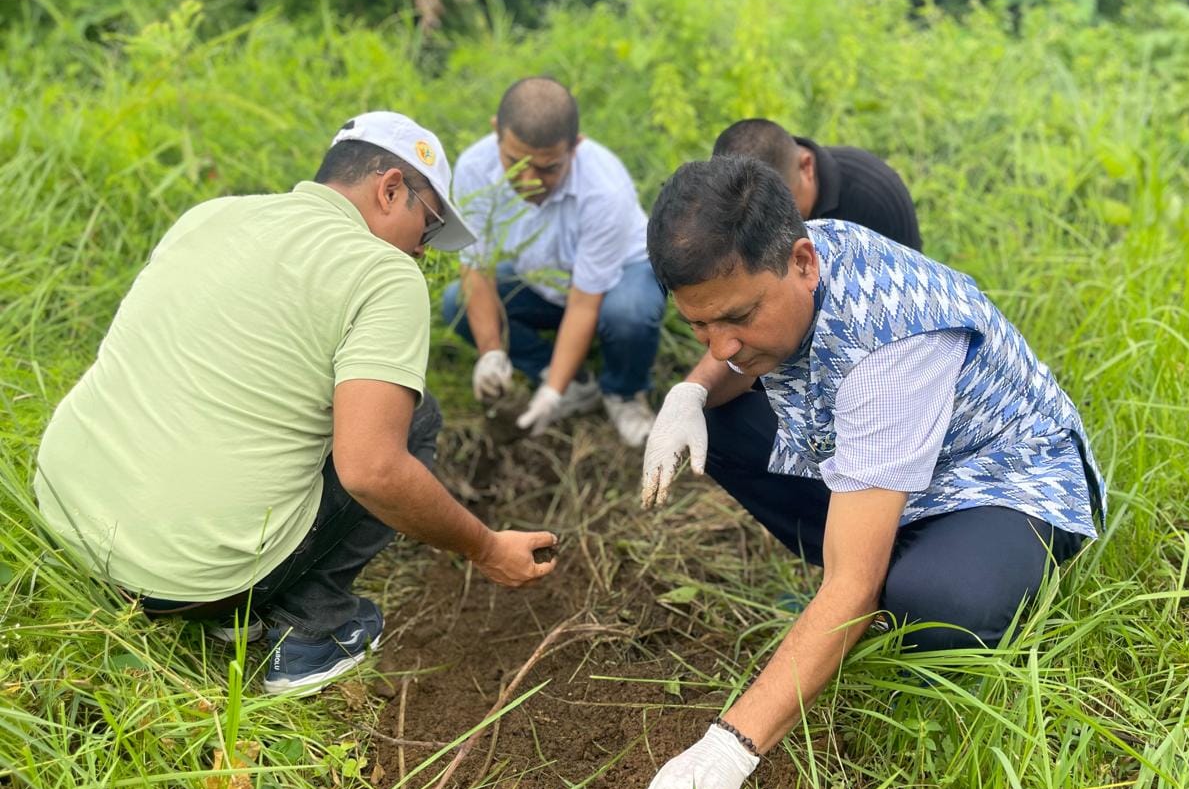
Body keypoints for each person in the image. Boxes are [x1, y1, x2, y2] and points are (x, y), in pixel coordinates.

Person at [627, 156, 1105, 789]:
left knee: (931, 601)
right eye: (699, 325)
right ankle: (868, 559)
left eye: (739, 318)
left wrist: (727, 750)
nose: (722, 346)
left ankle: (904, 582)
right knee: (715, 427)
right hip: (889, 461)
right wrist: (688, 394)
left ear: (803, 262)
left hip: (1002, 477)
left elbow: (853, 586)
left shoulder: (892, 350)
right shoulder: (783, 254)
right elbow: (725, 358)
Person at [34, 111, 559, 696]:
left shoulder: (211, 215)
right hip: (185, 581)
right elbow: (373, 470)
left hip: (62, 517)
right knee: (413, 423)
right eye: (429, 225)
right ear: (390, 189)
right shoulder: (383, 273)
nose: (421, 250)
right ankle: (310, 629)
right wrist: (486, 548)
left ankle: (232, 602)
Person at [441, 77, 668, 447]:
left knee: (628, 315)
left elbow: (584, 302)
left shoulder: (604, 190)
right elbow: (476, 267)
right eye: (516, 163)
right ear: (497, 132)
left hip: (620, 275)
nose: (529, 181)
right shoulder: (475, 169)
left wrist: (550, 393)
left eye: (548, 168)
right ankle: (574, 382)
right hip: (543, 277)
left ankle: (624, 392)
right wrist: (491, 351)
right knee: (456, 302)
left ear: (576, 146)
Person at [713, 117, 922, 252]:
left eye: (777, 210)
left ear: (806, 166)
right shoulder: (723, 203)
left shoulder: (874, 198)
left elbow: (911, 284)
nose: (769, 226)